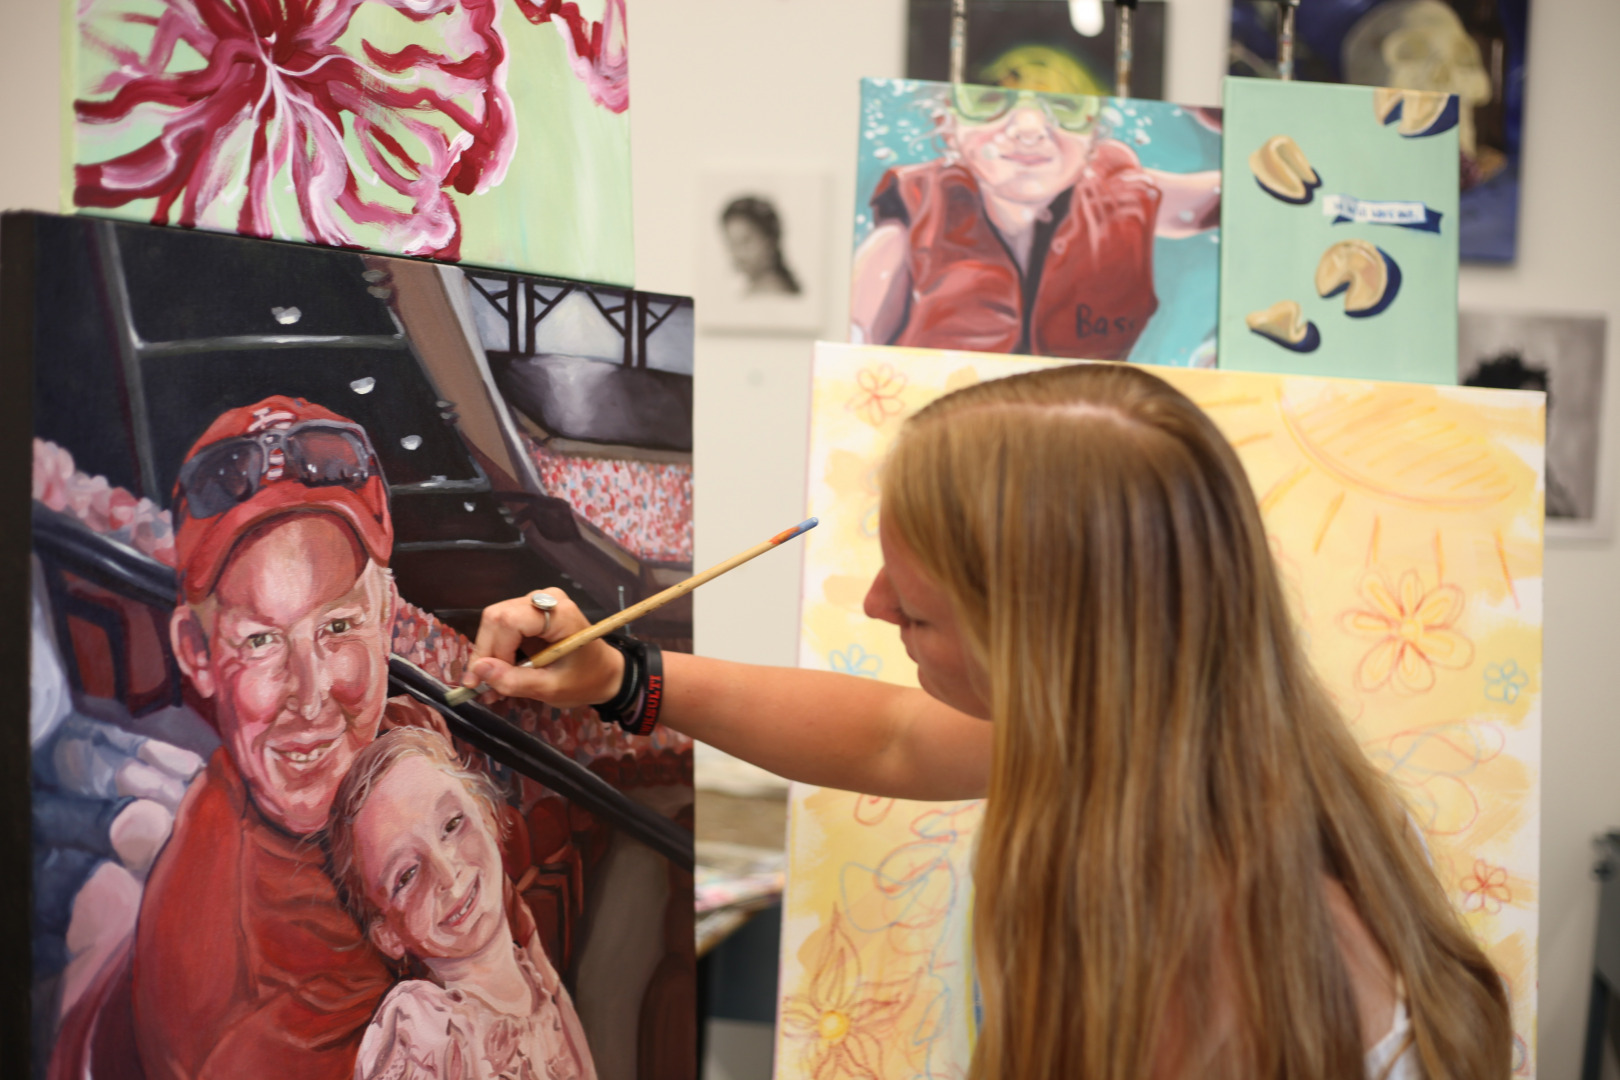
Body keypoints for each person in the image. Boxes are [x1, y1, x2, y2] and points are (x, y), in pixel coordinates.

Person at [464, 364, 1512, 1079]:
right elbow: (890, 736)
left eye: (918, 610)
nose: (875, 605)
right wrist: (621, 677)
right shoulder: (1179, 735)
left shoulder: (1198, 922)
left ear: (1045, 641)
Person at [131, 396, 537, 1080]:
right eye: (260, 641)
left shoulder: (410, 742)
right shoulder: (222, 981)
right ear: (196, 653)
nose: (312, 691)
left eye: (339, 627)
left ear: (387, 616)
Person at [851, 85, 1221, 360]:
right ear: (947, 125)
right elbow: (852, 346)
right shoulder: (915, 218)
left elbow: (1230, 198)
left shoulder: (1121, 195)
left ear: (1094, 132)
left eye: (1067, 105)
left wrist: (1234, 119)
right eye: (987, 100)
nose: (1029, 128)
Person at [328, 726, 596, 1080]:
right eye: (406, 875)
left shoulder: (539, 982)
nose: (447, 874)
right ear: (387, 934)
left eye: (453, 824)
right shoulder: (421, 1030)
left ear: (488, 817)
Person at [719, 195, 803, 296]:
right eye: (732, 243)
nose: (738, 253)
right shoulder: (751, 291)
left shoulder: (774, 293)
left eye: (745, 242)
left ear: (770, 240)